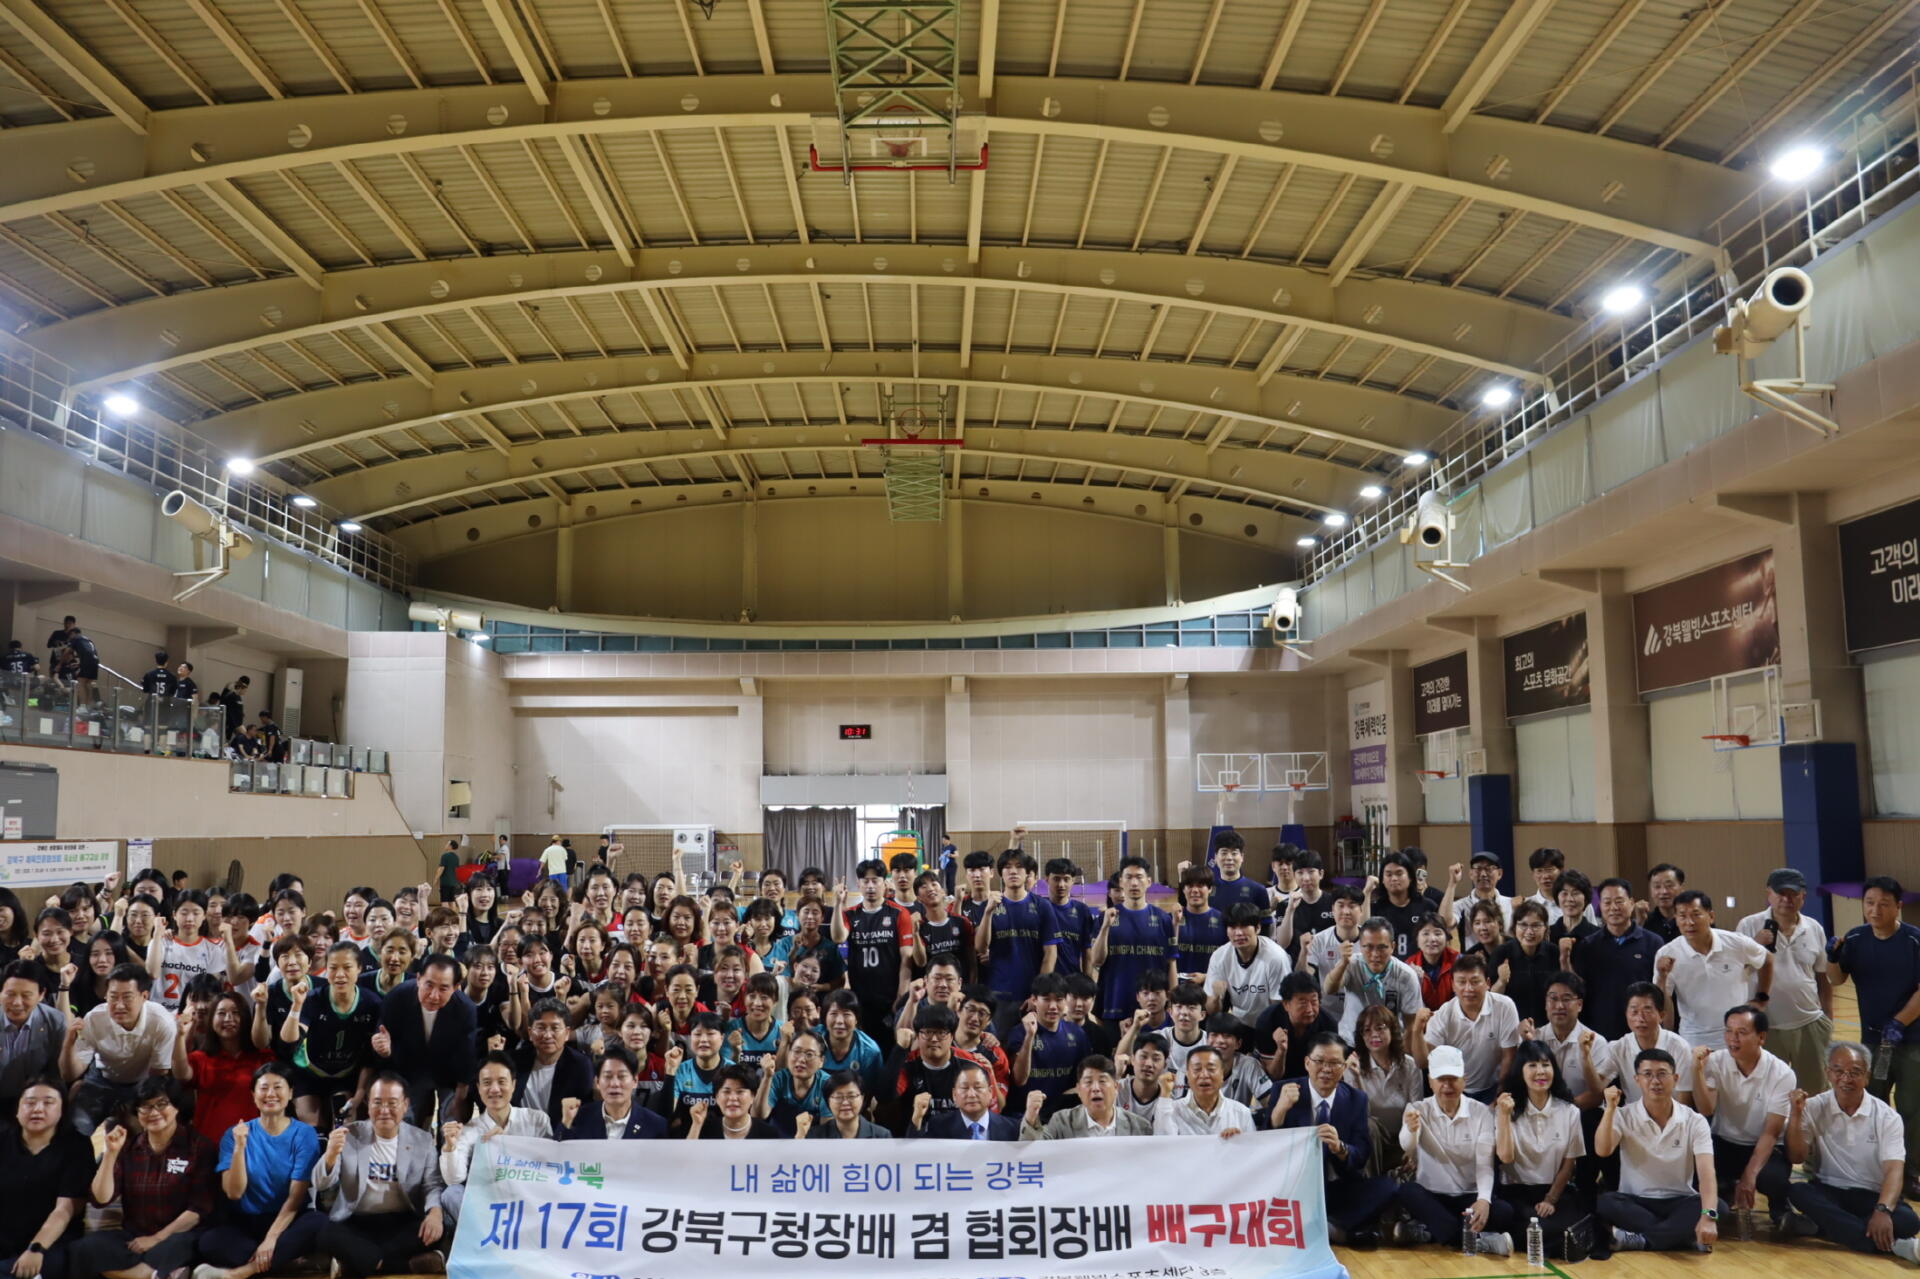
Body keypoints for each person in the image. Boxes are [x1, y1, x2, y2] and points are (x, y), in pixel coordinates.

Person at [1828, 875, 1920, 1197]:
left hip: (1912, 1041)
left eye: (1883, 904)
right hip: (1871, 1043)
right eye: (1869, 903)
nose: (1875, 910)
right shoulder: (1855, 939)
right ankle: (1874, 1169)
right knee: (1872, 1104)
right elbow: (1836, 980)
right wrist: (1832, 958)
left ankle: (1910, 1172)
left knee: (1912, 1108)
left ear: (1898, 906)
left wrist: (1900, 1022)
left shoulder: (1914, 941)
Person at [1785, 1041, 1920, 1259]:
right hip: (1829, 1191)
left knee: (1908, 1221)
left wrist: (1882, 1210)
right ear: (1828, 1073)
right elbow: (1796, 1156)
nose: (1846, 1079)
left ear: (1867, 1077)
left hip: (1872, 1196)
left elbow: (1894, 1171)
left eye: (1855, 1072)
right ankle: (1894, 1246)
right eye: (1838, 1071)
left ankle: (1823, 1228)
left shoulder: (1887, 1117)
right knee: (1798, 1191)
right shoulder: (1813, 1106)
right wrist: (1796, 1116)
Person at [74, 1077, 217, 1279]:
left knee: (176, 1248)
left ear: (176, 1107)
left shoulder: (199, 1147)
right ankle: (160, 1274)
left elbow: (198, 1210)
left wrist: (157, 1238)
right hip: (135, 1238)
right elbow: (100, 1199)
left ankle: (149, 1272)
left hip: (180, 1235)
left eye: (162, 1104)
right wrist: (110, 1155)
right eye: (145, 1107)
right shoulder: (129, 1148)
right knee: (84, 1249)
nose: (154, 1112)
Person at [197, 1062, 327, 1279]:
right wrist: (240, 1147)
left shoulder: (304, 1134)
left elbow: (296, 1197)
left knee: (318, 1222)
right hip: (247, 1223)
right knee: (209, 1242)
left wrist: (272, 1239)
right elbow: (234, 1193)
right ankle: (287, 1263)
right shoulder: (234, 1134)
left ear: (290, 1093)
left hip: (288, 1221)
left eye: (278, 1087)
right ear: (253, 1095)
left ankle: (241, 1273)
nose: (270, 1094)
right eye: (264, 1088)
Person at [311, 1073, 447, 1276]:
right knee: (324, 1232)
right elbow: (320, 1184)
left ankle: (356, 1263)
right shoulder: (349, 1135)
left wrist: (435, 1214)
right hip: (356, 1220)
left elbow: (432, 1185)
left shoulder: (422, 1140)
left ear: (405, 1104)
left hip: (401, 1221)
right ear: (368, 1104)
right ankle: (405, 1265)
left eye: (392, 1103)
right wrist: (330, 1155)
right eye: (377, 1103)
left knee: (435, 1231)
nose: (384, 1111)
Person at [1270, 1031, 1396, 1248]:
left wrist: (1340, 1148)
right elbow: (1267, 1148)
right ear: (1307, 1063)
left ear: (1344, 1067)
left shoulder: (1357, 1099)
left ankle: (1325, 1227)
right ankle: (1339, 1231)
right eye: (1319, 1061)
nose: (1326, 1069)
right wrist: (1279, 1112)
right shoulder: (1284, 1090)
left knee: (1387, 1187)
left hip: (1337, 1186)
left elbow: (1361, 1155)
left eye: (1335, 1063)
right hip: (1296, 1187)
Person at [1595, 1045, 1718, 1254]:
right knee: (1606, 1203)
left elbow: (1707, 1173)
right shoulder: (1623, 1115)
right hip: (1636, 1201)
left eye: (1662, 1074)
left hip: (1679, 1200)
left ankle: (1643, 1240)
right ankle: (1681, 1235)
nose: (1655, 1081)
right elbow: (1603, 1150)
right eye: (1647, 1074)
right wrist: (1610, 1110)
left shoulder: (1694, 1120)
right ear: (1637, 1080)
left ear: (1676, 1078)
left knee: (1715, 1207)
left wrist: (1708, 1218)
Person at [1393, 1045, 1513, 1252]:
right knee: (1408, 1192)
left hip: (1468, 1196)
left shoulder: (1481, 1113)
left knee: (1504, 1211)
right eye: (1441, 1079)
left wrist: (1483, 1200)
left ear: (1464, 1080)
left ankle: (1429, 1232)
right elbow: (1407, 1146)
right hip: (1432, 1195)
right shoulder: (1417, 1109)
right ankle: (1479, 1241)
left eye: (1453, 1078)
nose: (1447, 1085)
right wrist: (1411, 1130)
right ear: (1430, 1081)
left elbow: (1484, 1163)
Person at [1693, 1004, 1792, 1232]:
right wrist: (1696, 1071)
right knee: (1696, 1172)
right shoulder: (1716, 1062)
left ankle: (1780, 1210)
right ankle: (1724, 1192)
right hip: (1725, 1141)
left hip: (1763, 1145)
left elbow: (1771, 1132)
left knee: (1773, 1178)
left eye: (1741, 1032)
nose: (1732, 1039)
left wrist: (1749, 1176)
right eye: (1729, 1031)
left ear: (1761, 1037)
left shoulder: (1782, 1073)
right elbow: (1706, 1109)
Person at [1735, 868, 1831, 1093]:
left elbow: (1822, 975)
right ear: (1769, 894)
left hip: (1809, 1023)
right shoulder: (1748, 925)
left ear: (1803, 896)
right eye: (1781, 893)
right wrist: (1755, 944)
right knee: (1767, 1091)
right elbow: (1735, 971)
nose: (1787, 899)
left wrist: (1827, 1017)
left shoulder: (1814, 928)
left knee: (1813, 1090)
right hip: (1766, 1025)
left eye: (1793, 894)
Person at [1493, 1040, 1587, 1255]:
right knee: (1534, 1228)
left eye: (1546, 1065)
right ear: (1520, 1071)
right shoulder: (1506, 1108)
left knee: (1570, 1226)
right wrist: (1504, 1117)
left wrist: (1550, 1199)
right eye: (1532, 1065)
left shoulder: (1569, 1111)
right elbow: (1505, 1157)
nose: (1540, 1072)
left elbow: (1568, 1165)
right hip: (1516, 1191)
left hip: (1555, 1190)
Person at [61, 961, 175, 1135]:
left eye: (127, 997)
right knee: (77, 1129)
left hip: (142, 1083)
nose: (119, 1005)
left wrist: (136, 1105)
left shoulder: (162, 1022)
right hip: (101, 1079)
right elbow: (69, 1074)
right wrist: (69, 1044)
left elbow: (158, 1074)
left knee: (142, 1133)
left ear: (144, 996)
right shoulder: (94, 1018)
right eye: (113, 997)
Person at [439, 1052, 551, 1224]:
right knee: (451, 1193)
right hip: (488, 1206)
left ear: (513, 1085)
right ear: (478, 1088)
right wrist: (450, 1146)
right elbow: (454, 1179)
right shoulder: (470, 1131)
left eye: (501, 1082)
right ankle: (488, 1233)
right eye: (487, 1083)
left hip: (529, 1199)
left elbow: (550, 1167)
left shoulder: (537, 1120)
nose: (494, 1089)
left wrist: (508, 1148)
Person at [0, 1080, 91, 1279]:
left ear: (62, 1111)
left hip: (51, 1243)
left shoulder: (78, 1147)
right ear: (17, 1110)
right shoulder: (4, 1140)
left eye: (48, 1102)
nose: (38, 1109)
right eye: (30, 1102)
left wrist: (36, 1248)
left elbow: (64, 1210)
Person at [1655, 890, 1770, 1048]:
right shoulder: (1667, 953)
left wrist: (1762, 997)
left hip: (1738, 1033)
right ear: (1676, 919)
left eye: (1696, 914)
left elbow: (1767, 959)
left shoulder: (1736, 942)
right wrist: (1661, 977)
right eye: (1682, 916)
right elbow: (1663, 1000)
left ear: (1711, 916)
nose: (1689, 922)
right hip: (1694, 1037)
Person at [373, 956, 477, 1128]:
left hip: (448, 1072)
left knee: (452, 1123)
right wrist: (384, 1050)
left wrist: (460, 1097)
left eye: (443, 988)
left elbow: (466, 1057)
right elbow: (382, 1034)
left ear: (456, 987)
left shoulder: (465, 1009)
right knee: (407, 1124)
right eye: (429, 985)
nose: (434, 996)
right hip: (408, 1068)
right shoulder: (397, 997)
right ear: (418, 978)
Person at [976, 849, 1060, 1036]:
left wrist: (1039, 994)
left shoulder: (1042, 906)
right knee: (999, 1045)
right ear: (1001, 873)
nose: (1013, 871)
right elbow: (981, 947)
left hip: (1031, 995)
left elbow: (1050, 953)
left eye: (1019, 867)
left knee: (1033, 1045)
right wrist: (988, 913)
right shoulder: (989, 905)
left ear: (1028, 873)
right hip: (999, 993)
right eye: (1007, 867)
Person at [1415, 952, 1519, 1101]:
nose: (1468, 988)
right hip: (1455, 1090)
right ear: (1453, 985)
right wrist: (1417, 1030)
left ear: (1488, 983)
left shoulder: (1504, 1006)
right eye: (1462, 982)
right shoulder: (1444, 1014)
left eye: (1475, 981)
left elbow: (1509, 1056)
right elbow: (1423, 1062)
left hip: (1494, 1087)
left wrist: (1499, 1095)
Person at [833, 859, 915, 1041]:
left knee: (889, 1044)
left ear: (884, 883)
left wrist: (901, 995)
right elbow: (838, 937)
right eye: (865, 881)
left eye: (875, 880)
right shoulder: (850, 914)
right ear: (859, 884)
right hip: (859, 995)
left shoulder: (899, 913)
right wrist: (838, 904)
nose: (870, 886)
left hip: (889, 995)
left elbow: (906, 958)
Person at [1570, 877, 1659, 1040]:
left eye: (1619, 901)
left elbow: (1659, 990)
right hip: (1600, 1032)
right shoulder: (1588, 946)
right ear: (1600, 906)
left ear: (1631, 903)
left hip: (1642, 1029)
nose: (1614, 908)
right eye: (1607, 902)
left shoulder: (1653, 942)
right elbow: (1580, 990)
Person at [1091, 856, 1175, 1024]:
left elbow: (1171, 963)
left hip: (1153, 1006)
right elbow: (1096, 961)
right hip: (1115, 1003)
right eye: (1129, 877)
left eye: (1139, 877)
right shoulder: (1106, 918)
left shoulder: (1163, 919)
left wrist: (1173, 1000)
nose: (1134, 883)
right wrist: (1106, 927)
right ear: (1121, 882)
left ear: (1149, 882)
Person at [1322, 917, 1420, 1043]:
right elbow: (1329, 989)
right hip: (1352, 1041)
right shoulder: (1351, 964)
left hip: (1390, 1043)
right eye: (1368, 947)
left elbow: (1411, 1025)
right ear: (1360, 946)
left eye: (1382, 947)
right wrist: (1342, 963)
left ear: (1392, 946)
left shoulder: (1406, 975)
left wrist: (1400, 1052)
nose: (1375, 954)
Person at [509, 997, 594, 1134]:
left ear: (567, 1033)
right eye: (541, 1028)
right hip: (517, 1136)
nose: (548, 1035)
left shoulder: (580, 1066)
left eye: (555, 1028)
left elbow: (586, 1113)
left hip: (561, 1138)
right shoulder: (514, 1061)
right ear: (530, 1033)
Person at [1020, 1054, 1152, 1138]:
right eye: (1088, 1082)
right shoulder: (1062, 1122)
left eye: (1102, 1081)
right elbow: (1034, 1156)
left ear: (1116, 1087)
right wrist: (1030, 1118)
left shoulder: (1139, 1127)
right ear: (1078, 1090)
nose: (1095, 1088)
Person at [1205, 903, 1291, 1020]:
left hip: (1269, 1021)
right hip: (1238, 1021)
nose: (1238, 933)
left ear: (1258, 928)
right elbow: (1212, 1011)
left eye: (1244, 926)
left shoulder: (1276, 957)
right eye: (1233, 927)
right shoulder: (1219, 956)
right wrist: (1216, 997)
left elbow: (1280, 1007)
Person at [560, 1046, 667, 1139]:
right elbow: (558, 1151)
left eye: (621, 1076)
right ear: (597, 1082)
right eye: (608, 1076)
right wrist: (566, 1123)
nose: (614, 1084)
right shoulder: (578, 1118)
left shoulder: (656, 1125)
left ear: (635, 1081)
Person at [0, 959, 66, 1108]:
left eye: (26, 995)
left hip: (36, 1103)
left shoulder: (55, 1021)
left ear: (41, 995)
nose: (17, 1002)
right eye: (10, 994)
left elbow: (56, 1074)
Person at [1153, 1044, 1254, 1137]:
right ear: (1187, 1075)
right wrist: (1165, 1095)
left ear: (1222, 1074)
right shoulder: (1171, 1110)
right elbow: (1163, 1145)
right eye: (1197, 1069)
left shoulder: (1241, 1113)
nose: (1204, 1075)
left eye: (1211, 1069)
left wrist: (1238, 1141)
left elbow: (1252, 1149)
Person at [1492, 901, 1557, 1025]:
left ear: (1545, 928)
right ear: (1514, 927)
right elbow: (1491, 1000)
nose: (1529, 931)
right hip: (1511, 1025)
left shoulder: (1553, 952)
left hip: (1547, 1026)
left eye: (1536, 925)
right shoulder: (1501, 953)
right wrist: (1501, 981)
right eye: (1523, 925)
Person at [918, 1062, 1019, 1139]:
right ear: (954, 1095)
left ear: (990, 1092)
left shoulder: (1012, 1128)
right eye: (964, 1088)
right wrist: (917, 1119)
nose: (971, 1094)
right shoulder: (938, 1127)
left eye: (978, 1087)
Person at [687, 1065, 779, 1140]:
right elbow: (688, 1156)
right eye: (726, 1092)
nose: (732, 1098)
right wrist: (696, 1125)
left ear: (753, 1096)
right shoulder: (705, 1129)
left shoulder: (769, 1134)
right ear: (717, 1097)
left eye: (740, 1092)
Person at [809, 1070, 890, 1140]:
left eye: (851, 1096)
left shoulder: (882, 1136)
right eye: (838, 1097)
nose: (845, 1103)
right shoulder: (815, 1136)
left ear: (862, 1098)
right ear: (828, 1101)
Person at [1641, 864, 1685, 943]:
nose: (1663, 892)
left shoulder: (1691, 921)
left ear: (1681, 888)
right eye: (1657, 886)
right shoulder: (1644, 922)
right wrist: (1639, 923)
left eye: (1669, 886)